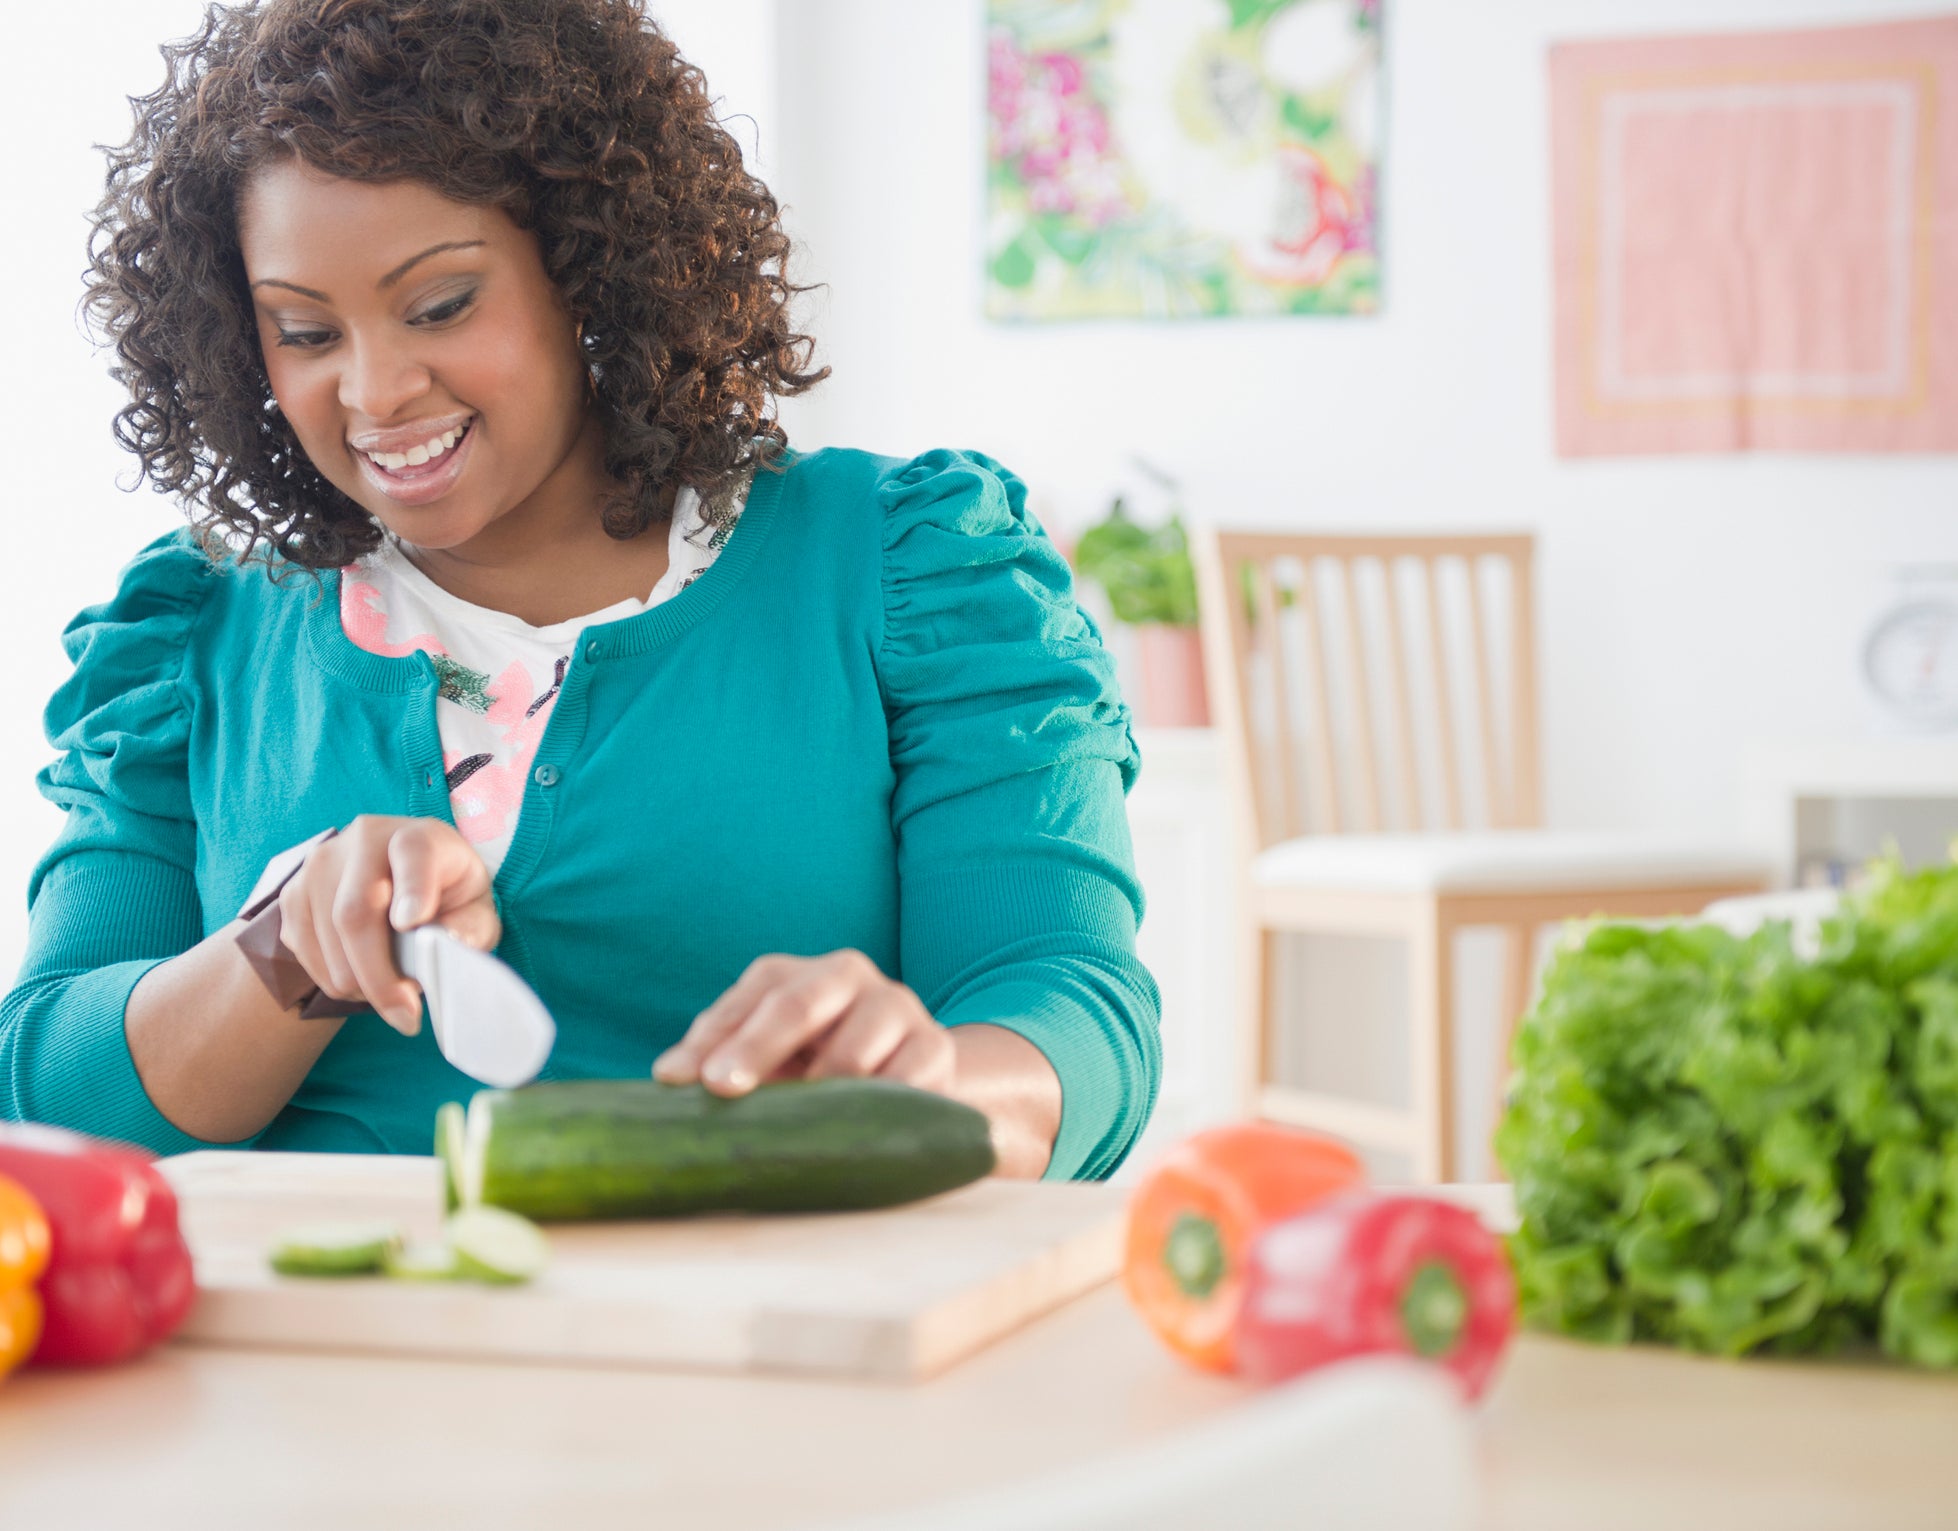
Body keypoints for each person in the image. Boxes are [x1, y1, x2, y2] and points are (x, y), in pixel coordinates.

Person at [0, 0, 1159, 1181]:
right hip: (310, 1344)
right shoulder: (193, 635)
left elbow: (1074, 1014)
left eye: (441, 304)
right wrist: (284, 946)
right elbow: (45, 1093)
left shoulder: (908, 568)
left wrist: (935, 1084)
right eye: (304, 332)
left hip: (771, 1345)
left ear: (590, 266)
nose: (376, 389)